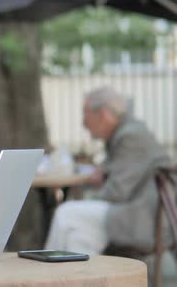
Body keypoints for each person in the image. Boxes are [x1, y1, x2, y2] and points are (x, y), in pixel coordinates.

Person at [45, 86, 171, 255]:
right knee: (79, 237)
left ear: (103, 114)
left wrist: (91, 194)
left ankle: (47, 276)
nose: (84, 123)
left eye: (86, 114)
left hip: (147, 220)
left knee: (66, 213)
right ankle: (77, 279)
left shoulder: (130, 136)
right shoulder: (126, 133)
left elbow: (116, 192)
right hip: (142, 215)